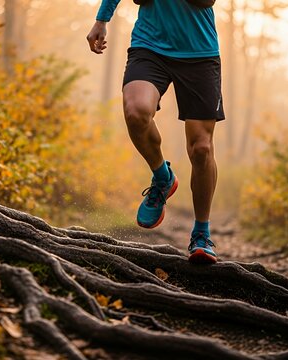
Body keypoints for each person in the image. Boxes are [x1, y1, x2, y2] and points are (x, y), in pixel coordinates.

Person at [86, 0, 225, 264]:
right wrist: (102, 19)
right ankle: (163, 177)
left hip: (199, 53)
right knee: (136, 112)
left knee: (201, 148)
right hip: (149, 45)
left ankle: (201, 234)